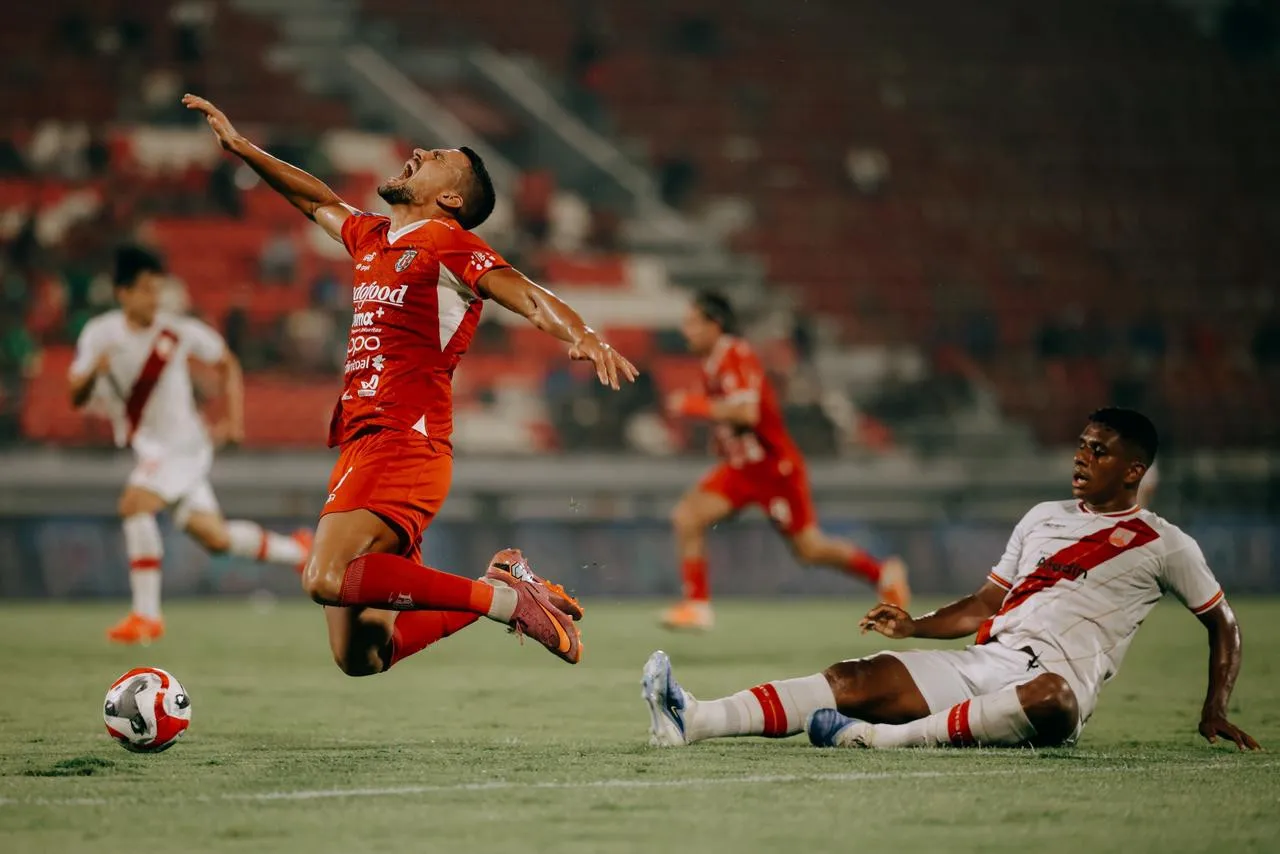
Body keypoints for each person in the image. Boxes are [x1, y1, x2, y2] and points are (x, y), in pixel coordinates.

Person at [184, 94, 638, 673]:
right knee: (364, 654)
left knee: (324, 576)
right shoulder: (371, 237)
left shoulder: (448, 243)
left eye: (438, 156)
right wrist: (243, 148)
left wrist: (582, 330)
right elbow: (314, 199)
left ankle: (505, 601)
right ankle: (498, 583)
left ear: (450, 198)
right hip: (360, 441)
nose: (419, 151)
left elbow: (522, 290)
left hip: (406, 441)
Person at [643, 409, 1260, 752]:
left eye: (1098, 451)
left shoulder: (1167, 543)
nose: (1080, 457)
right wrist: (916, 625)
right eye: (1080, 445)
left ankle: (879, 743)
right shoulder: (1042, 519)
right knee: (853, 677)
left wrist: (1214, 707)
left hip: (1055, 687)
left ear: (1134, 471)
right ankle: (694, 718)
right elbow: (986, 603)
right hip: (988, 662)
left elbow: (1221, 621)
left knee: (1053, 698)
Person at [69, 245, 312, 644]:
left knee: (134, 504)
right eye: (146, 290)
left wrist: (233, 421)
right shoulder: (100, 335)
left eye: (157, 289)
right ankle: (298, 551)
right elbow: (74, 396)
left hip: (182, 446)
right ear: (123, 292)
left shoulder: (176, 331)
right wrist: (93, 372)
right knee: (214, 538)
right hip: (151, 448)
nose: (154, 298)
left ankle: (146, 615)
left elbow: (227, 363)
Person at [661, 292, 909, 630]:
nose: (685, 330)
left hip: (773, 469)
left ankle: (883, 573)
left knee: (809, 548)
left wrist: (696, 406)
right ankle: (697, 606)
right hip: (742, 468)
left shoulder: (734, 354)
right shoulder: (714, 361)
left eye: (693, 322)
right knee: (687, 516)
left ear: (715, 325)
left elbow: (746, 412)